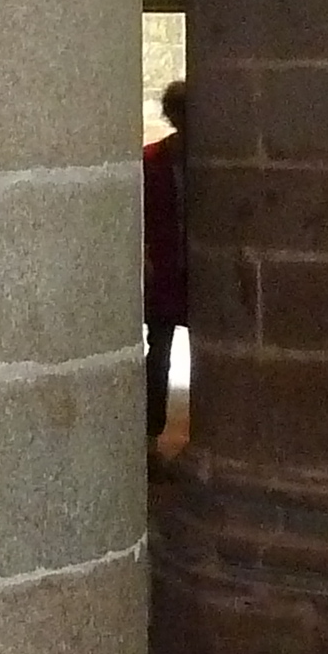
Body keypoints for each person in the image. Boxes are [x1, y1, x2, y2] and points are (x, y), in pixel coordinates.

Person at [143, 78, 188, 442]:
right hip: (165, 269)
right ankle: (149, 438)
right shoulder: (150, 161)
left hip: (199, 269)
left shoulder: (215, 163)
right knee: (159, 355)